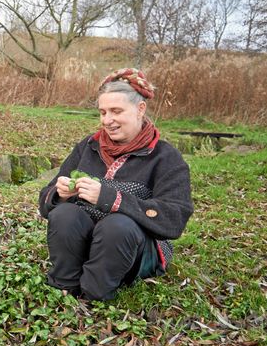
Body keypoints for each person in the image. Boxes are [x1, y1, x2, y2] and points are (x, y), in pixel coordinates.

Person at [38, 69, 193, 301]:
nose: (107, 120)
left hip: (135, 250)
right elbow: (45, 202)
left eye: (116, 111)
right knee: (64, 214)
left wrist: (111, 198)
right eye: (102, 112)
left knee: (117, 227)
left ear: (140, 109)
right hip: (90, 242)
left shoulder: (165, 157)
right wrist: (59, 194)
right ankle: (64, 285)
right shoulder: (88, 147)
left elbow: (174, 218)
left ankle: (95, 293)